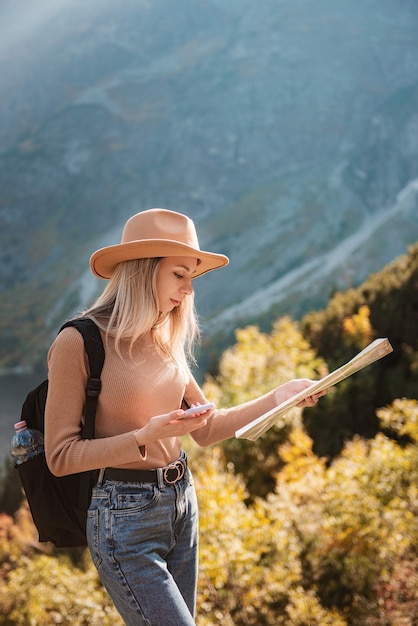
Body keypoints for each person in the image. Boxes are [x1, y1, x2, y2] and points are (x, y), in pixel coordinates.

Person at [45, 208, 326, 626]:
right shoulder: (78, 341)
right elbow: (61, 456)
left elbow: (208, 428)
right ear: (144, 271)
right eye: (180, 274)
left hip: (182, 504)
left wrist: (279, 397)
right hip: (123, 517)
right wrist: (144, 435)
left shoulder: (163, 337)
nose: (189, 289)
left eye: (192, 277)